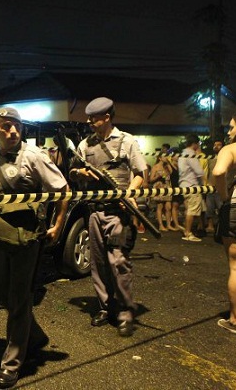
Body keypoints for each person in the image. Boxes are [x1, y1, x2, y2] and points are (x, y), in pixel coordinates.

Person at [0, 107, 68, 389]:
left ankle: (11, 364)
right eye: (5, 126)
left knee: (19, 298)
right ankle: (34, 337)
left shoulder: (34, 156)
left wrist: (58, 224)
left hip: (26, 239)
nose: (12, 131)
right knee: (3, 295)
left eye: (16, 126)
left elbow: (62, 190)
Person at [69, 97, 147, 337]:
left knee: (118, 261)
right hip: (94, 210)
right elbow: (72, 171)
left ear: (106, 117)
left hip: (118, 212)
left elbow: (140, 172)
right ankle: (105, 307)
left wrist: (130, 193)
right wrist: (80, 173)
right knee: (99, 262)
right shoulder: (85, 145)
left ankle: (125, 311)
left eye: (93, 118)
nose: (89, 122)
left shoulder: (126, 141)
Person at [212, 113, 236, 335]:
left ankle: (235, 320)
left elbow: (219, 171)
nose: (229, 132)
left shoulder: (231, 149)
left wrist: (224, 196)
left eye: (232, 128)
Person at [178, 134, 206, 242]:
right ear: (194, 143)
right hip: (192, 185)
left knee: (188, 209)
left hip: (184, 184)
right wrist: (205, 185)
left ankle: (187, 230)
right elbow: (199, 171)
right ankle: (188, 233)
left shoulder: (183, 154)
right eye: (198, 143)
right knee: (192, 210)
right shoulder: (190, 154)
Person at [149, 154, 178, 231]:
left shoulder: (167, 166)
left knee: (168, 207)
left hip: (167, 187)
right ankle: (161, 225)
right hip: (159, 186)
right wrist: (157, 176)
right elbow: (151, 179)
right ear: (160, 158)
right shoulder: (155, 167)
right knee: (160, 206)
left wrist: (168, 163)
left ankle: (168, 225)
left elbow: (172, 172)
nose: (166, 157)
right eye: (165, 156)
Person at [206, 139, 224, 233]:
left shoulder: (225, 158)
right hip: (210, 187)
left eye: (219, 144)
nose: (216, 146)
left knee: (221, 208)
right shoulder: (210, 158)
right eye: (215, 145)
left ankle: (221, 227)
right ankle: (210, 226)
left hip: (221, 187)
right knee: (209, 208)